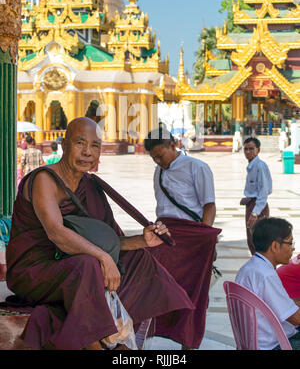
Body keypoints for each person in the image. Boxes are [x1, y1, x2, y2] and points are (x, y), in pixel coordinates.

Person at [5, 117, 194, 350]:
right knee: (88, 265)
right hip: (34, 270)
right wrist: (103, 258)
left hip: (68, 264)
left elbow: (109, 242)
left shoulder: (91, 186)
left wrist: (142, 240)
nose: (87, 152)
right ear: (64, 144)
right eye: (80, 143)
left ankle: (122, 337)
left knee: (138, 259)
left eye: (94, 146)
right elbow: (56, 233)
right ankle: (95, 345)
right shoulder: (45, 179)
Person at [144, 127, 221, 350]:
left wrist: (205, 238)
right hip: (165, 236)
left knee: (193, 293)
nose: (158, 161)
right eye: (153, 158)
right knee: (158, 288)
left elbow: (209, 205)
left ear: (173, 145)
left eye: (161, 155)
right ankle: (151, 334)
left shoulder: (197, 167)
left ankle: (188, 343)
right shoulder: (158, 171)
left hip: (192, 237)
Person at [235, 217, 300, 350]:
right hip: (273, 345)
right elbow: (296, 318)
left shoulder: (249, 268)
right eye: (290, 243)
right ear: (275, 246)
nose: (293, 249)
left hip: (250, 343)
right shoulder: (266, 275)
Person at [241, 137, 272, 255]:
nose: (248, 152)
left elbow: (264, 191)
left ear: (258, 150)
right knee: (251, 239)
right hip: (251, 205)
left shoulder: (260, 166)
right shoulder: (251, 166)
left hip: (258, 207)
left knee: (258, 242)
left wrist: (255, 212)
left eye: (251, 149)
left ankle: (262, 267)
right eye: (246, 149)